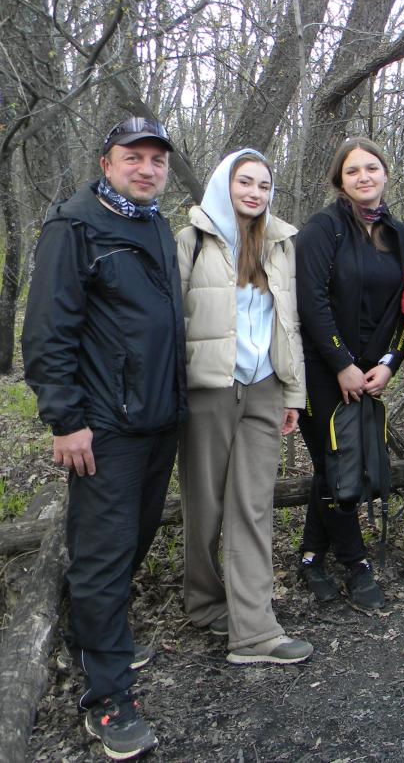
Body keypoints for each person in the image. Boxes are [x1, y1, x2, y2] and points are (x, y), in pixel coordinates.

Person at [23, 116, 186, 759]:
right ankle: (107, 696)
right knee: (102, 554)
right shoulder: (75, 226)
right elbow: (47, 331)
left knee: (134, 540)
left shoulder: (154, 226)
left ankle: (99, 637)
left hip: (159, 418)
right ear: (106, 161)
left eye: (157, 160)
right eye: (133, 158)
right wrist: (65, 419)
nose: (147, 169)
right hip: (105, 426)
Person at [176, 149, 313, 664]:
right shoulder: (192, 241)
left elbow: (290, 320)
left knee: (253, 506)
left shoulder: (279, 243)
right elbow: (172, 323)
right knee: (204, 506)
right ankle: (206, 603)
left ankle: (254, 632)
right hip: (207, 389)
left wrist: (293, 393)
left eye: (263, 185)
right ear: (224, 185)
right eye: (245, 182)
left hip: (264, 387)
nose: (255, 193)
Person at [295, 137, 404, 611]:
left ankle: (310, 556)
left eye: (371, 168)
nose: (364, 177)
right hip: (320, 369)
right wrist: (342, 363)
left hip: (371, 372)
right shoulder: (324, 228)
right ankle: (357, 563)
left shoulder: (398, 234)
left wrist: (389, 363)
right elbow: (311, 300)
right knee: (337, 465)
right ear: (340, 180)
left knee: (338, 467)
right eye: (352, 171)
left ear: (385, 174)